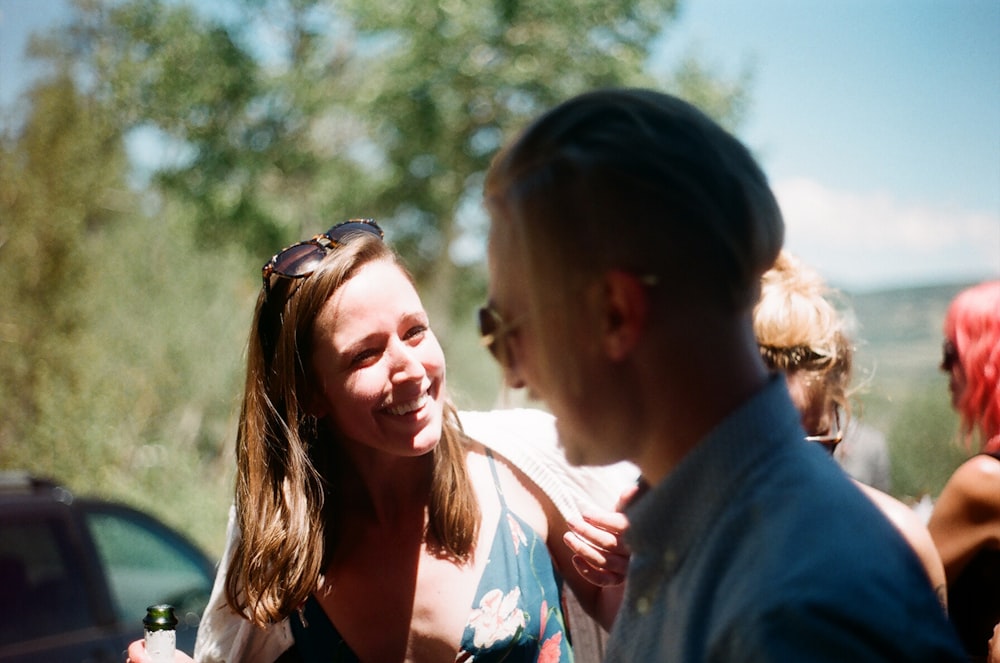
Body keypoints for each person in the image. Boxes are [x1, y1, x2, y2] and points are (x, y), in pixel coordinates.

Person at [480, 87, 964, 661]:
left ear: (615, 312)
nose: (513, 376)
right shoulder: (713, 544)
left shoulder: (796, 609)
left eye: (508, 329)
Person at [127, 219, 634, 663]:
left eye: (415, 332)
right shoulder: (282, 542)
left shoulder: (528, 468)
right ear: (311, 394)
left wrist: (642, 568)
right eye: (365, 355)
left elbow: (648, 624)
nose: (411, 370)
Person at [753, 250, 947, 607]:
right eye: (764, 447)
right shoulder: (675, 549)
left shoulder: (899, 546)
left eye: (817, 443)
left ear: (840, 417)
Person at [927, 280, 1000, 661]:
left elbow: (895, 596)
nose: (944, 367)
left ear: (985, 358)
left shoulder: (983, 483)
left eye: (951, 351)